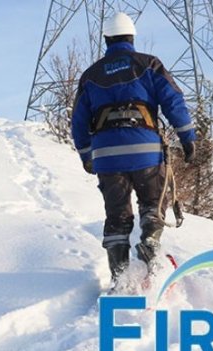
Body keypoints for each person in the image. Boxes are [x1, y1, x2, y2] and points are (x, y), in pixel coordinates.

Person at [71, 12, 196, 292]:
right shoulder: (148, 64)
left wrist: (87, 155)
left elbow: (78, 122)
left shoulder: (90, 76)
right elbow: (173, 101)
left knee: (117, 216)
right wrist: (188, 137)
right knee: (152, 204)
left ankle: (120, 278)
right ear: (131, 37)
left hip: (107, 158)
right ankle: (151, 248)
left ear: (106, 39)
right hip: (145, 152)